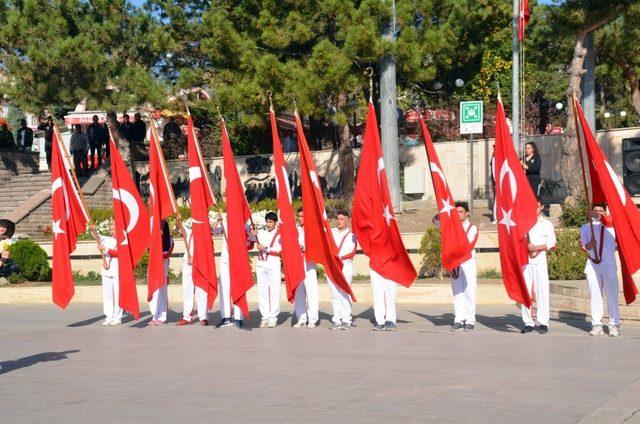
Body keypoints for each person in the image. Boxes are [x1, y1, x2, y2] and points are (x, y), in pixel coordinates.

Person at [434, 203, 479, 332]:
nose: (458, 214)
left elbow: (468, 245)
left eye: (461, 212)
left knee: (469, 291)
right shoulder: (450, 226)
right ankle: (459, 319)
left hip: (467, 261)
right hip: (455, 261)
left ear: (467, 213)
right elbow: (436, 222)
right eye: (456, 212)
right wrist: (444, 212)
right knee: (457, 291)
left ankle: (470, 320)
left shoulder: (472, 227)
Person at [580, 203, 621, 337]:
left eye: (601, 211)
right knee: (595, 294)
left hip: (608, 265)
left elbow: (612, 221)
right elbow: (585, 246)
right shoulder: (586, 227)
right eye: (595, 211)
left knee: (612, 295)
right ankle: (596, 324)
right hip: (593, 264)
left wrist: (599, 216)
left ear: (605, 212)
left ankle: (614, 324)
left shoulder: (611, 226)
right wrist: (590, 244)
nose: (597, 213)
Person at [212, 215, 255, 329]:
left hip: (238, 259)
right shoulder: (224, 222)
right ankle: (225, 317)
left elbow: (249, 245)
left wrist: (250, 237)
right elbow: (215, 231)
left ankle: (238, 317)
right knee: (224, 288)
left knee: (238, 287)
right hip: (225, 260)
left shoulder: (244, 226)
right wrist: (217, 222)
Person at [521, 197, 556, 334]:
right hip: (525, 262)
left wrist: (536, 247)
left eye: (536, 206)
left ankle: (543, 322)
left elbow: (551, 243)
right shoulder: (523, 223)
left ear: (541, 207)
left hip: (540, 260)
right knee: (526, 291)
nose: (534, 209)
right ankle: (528, 322)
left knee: (542, 291)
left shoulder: (546, 224)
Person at [327, 210, 357, 330]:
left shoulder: (352, 234)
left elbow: (352, 252)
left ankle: (346, 320)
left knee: (344, 293)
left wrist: (339, 257)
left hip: (345, 265)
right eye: (338, 219)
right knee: (334, 294)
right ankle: (336, 320)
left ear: (347, 220)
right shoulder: (332, 232)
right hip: (332, 266)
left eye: (342, 219)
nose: (339, 221)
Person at [177, 223, 209, 326]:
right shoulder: (189, 230)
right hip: (188, 263)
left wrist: (196, 260)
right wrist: (178, 221)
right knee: (187, 289)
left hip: (201, 263)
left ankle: (203, 316)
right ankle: (187, 316)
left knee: (201, 289)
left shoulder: (204, 230)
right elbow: (180, 228)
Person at [255, 211, 282, 328]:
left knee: (274, 291)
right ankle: (264, 316)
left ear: (275, 223)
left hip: (273, 264)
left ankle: (273, 317)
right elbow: (251, 238)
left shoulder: (280, 235)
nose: (268, 224)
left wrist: (265, 248)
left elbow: (279, 251)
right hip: (261, 265)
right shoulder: (261, 233)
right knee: (262, 292)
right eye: (267, 221)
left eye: (270, 222)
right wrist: (252, 233)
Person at [293, 207, 319, 329]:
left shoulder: (312, 230)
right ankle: (301, 318)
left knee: (311, 291)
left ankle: (312, 319)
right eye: (299, 216)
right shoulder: (295, 229)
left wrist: (305, 248)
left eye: (302, 216)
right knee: (299, 292)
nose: (300, 219)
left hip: (309, 264)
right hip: (297, 263)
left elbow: (317, 246)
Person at [95, 222, 123, 326]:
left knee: (117, 294)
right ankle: (109, 316)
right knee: (107, 295)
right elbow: (96, 235)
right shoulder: (107, 239)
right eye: (111, 229)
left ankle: (118, 317)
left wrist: (105, 249)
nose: (112, 231)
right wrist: (92, 227)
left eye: (114, 229)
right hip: (106, 270)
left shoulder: (123, 240)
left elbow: (119, 253)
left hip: (117, 271)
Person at [148, 220, 173, 326]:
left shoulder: (170, 241)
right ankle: (154, 315)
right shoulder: (152, 240)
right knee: (154, 293)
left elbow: (166, 254)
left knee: (161, 294)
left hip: (163, 271)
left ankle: (161, 317)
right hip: (153, 270)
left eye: (161, 230)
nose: (159, 232)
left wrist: (156, 249)